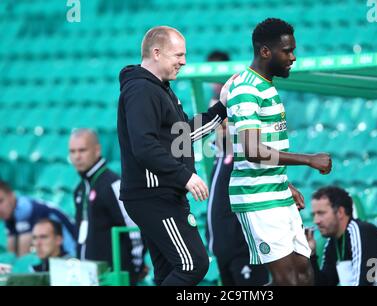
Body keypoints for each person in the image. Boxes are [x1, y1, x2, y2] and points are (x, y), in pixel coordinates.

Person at [117, 26, 235, 286]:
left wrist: (221, 109)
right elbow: (144, 147)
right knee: (193, 264)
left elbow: (181, 136)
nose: (184, 61)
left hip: (159, 194)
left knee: (168, 271)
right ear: (157, 53)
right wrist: (185, 177)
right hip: (153, 196)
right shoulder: (141, 90)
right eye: (178, 55)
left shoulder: (160, 88)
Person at [226, 18, 332, 286]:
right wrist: (308, 160)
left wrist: (284, 181)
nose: (293, 57)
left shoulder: (266, 86)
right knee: (288, 280)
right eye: (287, 51)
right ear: (265, 51)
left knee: (304, 274)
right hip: (257, 197)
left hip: (276, 191)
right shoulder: (246, 88)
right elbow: (252, 150)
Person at [205, 50, 269, 285]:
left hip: (244, 251)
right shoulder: (221, 158)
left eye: (224, 120)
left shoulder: (244, 157)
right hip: (223, 251)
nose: (219, 126)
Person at [69, 128, 145, 285]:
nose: (77, 156)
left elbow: (135, 230)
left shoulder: (113, 184)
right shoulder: (80, 189)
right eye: (72, 151)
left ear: (97, 150)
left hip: (114, 278)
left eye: (82, 150)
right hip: (88, 279)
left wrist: (133, 270)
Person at [307, 186, 377, 286]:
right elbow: (324, 283)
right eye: (314, 215)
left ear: (340, 212)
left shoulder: (362, 232)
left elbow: (364, 282)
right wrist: (311, 254)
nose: (316, 220)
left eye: (321, 213)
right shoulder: (334, 242)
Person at [0, 181, 76, 257]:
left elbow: (23, 256)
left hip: (71, 251)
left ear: (12, 196)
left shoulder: (24, 207)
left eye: (1, 201)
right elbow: (11, 253)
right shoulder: (10, 213)